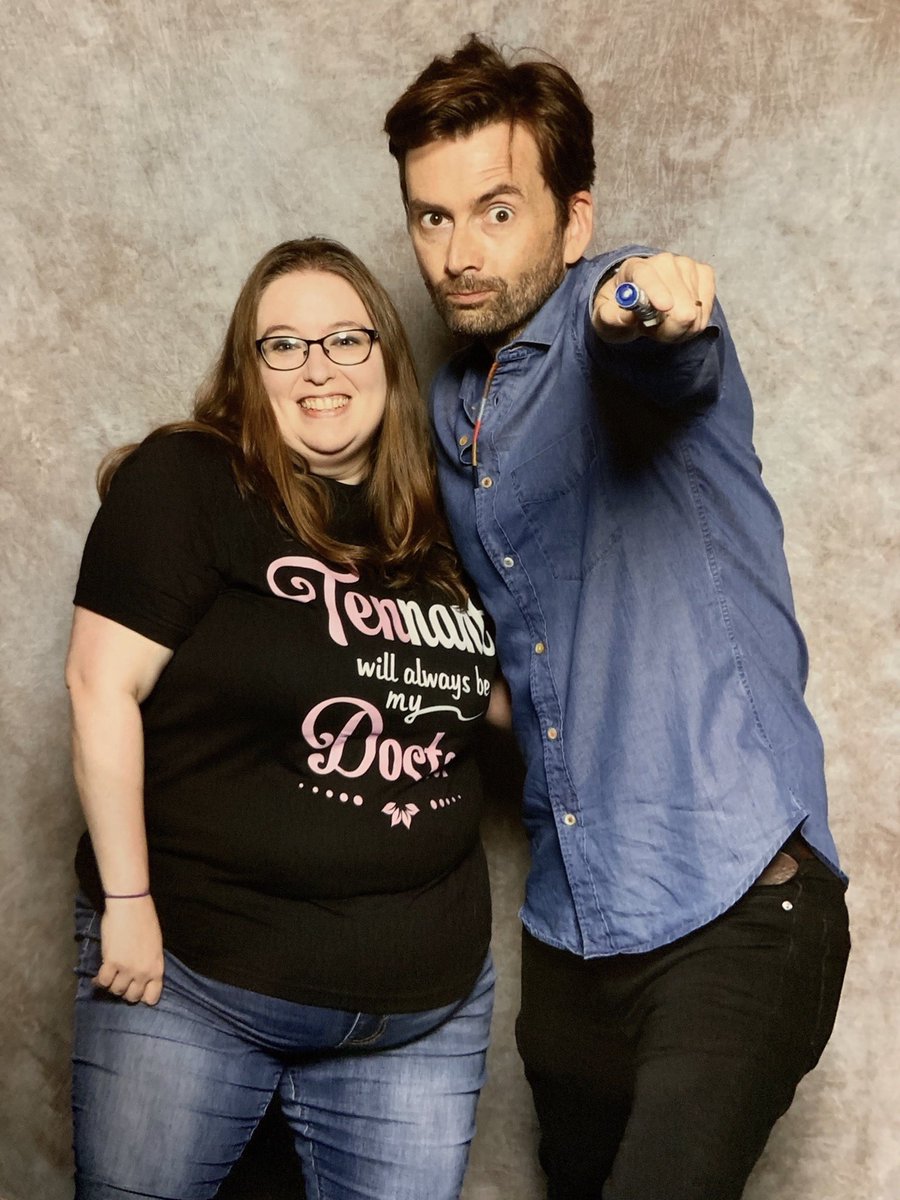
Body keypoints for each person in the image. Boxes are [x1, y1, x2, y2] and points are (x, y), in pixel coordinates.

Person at [384, 35, 851, 1200]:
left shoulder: (611, 309)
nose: (457, 254)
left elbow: (648, 334)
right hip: (572, 938)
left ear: (575, 218)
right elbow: (518, 652)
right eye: (431, 219)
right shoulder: (451, 408)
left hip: (735, 901)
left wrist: (653, 303)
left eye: (496, 211)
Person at [65, 237, 500, 1200]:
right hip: (194, 983)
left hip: (417, 1018)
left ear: (387, 356)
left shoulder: (434, 521)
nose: (320, 368)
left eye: (347, 339)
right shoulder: (191, 481)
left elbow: (507, 697)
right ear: (246, 368)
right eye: (283, 345)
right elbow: (101, 686)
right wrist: (129, 908)